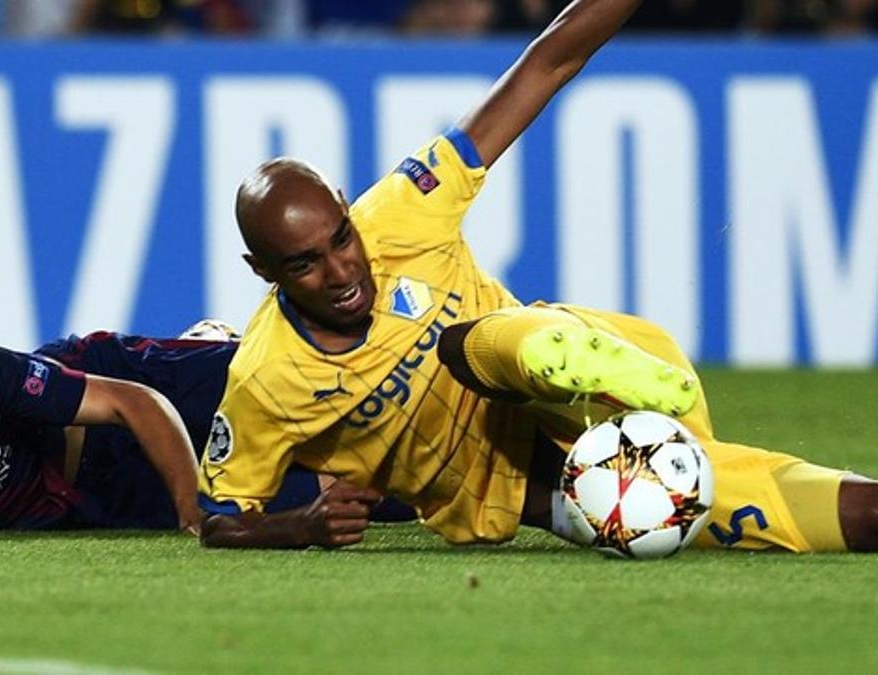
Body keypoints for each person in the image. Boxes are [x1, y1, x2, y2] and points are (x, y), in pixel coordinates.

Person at [196, 0, 878, 552]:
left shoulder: (401, 211)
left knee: (467, 344)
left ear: (349, 208)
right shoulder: (268, 378)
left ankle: (586, 360)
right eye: (305, 264)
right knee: (850, 514)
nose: (342, 268)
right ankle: (649, 449)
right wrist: (300, 526)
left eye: (341, 238)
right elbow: (221, 515)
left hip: (569, 383)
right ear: (264, 272)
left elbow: (547, 61)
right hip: (575, 489)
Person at [0, 325, 385, 533]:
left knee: (324, 386)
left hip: (116, 396)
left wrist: (197, 514)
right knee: (373, 491)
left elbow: (132, 403)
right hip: (98, 496)